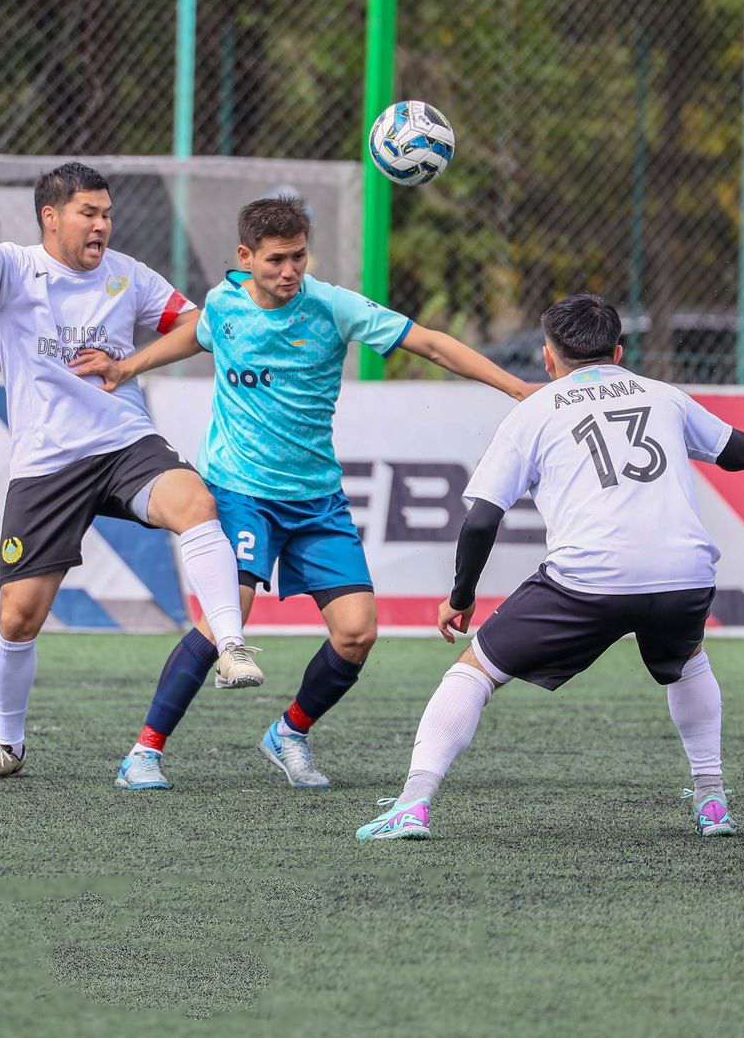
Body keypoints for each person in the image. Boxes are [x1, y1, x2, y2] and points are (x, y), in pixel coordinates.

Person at [71, 196, 533, 791]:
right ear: (246, 257)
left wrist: (517, 387)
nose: (290, 272)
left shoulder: (333, 307)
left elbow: (433, 345)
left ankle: (289, 731)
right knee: (225, 619)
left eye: (299, 257)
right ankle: (145, 753)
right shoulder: (224, 305)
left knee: (358, 632)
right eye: (276, 260)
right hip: (241, 492)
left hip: (318, 500)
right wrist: (129, 367)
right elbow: (198, 336)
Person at [356, 293, 744, 841]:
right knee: (687, 659)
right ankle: (713, 801)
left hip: (588, 580)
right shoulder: (665, 397)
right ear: (618, 351)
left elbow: (480, 521)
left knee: (474, 672)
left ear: (548, 358)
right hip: (685, 575)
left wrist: (461, 596)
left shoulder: (535, 411)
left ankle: (412, 803)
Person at [0, 161, 260, 780]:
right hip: (47, 464)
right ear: (51, 217)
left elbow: (202, 325)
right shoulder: (13, 270)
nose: (102, 226)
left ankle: (231, 644)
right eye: (88, 214)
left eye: (107, 214)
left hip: (123, 443)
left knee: (194, 502)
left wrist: (132, 363)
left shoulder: (129, 277)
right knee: (18, 616)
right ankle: (8, 746)